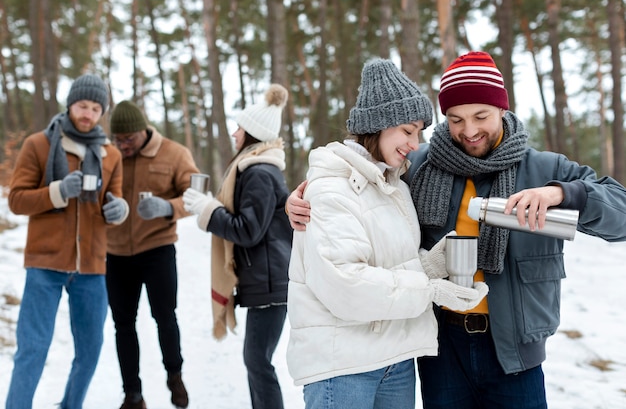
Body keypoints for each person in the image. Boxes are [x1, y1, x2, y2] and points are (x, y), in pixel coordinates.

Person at [287, 52, 626, 409]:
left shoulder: (542, 169)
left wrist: (562, 192)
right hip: (441, 349)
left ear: (502, 110)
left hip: (514, 349)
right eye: (455, 119)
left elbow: (620, 212)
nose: (469, 129)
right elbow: (356, 178)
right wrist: (299, 196)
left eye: (481, 116)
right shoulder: (418, 165)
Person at [285, 58, 489, 409]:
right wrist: (430, 289)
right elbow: (346, 285)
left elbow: (387, 268)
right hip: (344, 367)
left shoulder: (393, 186)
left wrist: (430, 265)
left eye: (419, 133)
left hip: (395, 359)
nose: (415, 142)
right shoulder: (333, 190)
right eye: (408, 131)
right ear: (378, 125)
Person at [6, 74, 128, 409]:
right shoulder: (39, 145)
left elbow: (112, 202)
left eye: (95, 107)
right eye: (82, 105)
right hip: (45, 264)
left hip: (91, 266)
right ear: (70, 105)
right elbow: (16, 200)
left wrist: (120, 209)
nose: (88, 113)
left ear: (102, 111)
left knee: (90, 351)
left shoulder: (110, 155)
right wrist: (58, 191)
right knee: (33, 348)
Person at [182, 84, 293, 409]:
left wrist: (208, 210)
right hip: (266, 281)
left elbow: (248, 231)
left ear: (252, 134)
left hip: (269, 284)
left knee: (258, 363)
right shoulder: (258, 169)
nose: (234, 133)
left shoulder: (258, 172)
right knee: (256, 362)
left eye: (239, 128)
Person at [106, 100, 199, 409]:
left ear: (142, 131)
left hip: (157, 250)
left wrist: (167, 207)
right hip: (116, 254)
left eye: (127, 139)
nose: (122, 145)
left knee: (164, 317)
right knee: (123, 325)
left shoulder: (174, 153)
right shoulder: (109, 155)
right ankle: (132, 394)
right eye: (117, 140)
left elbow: (196, 195)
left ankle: (175, 374)